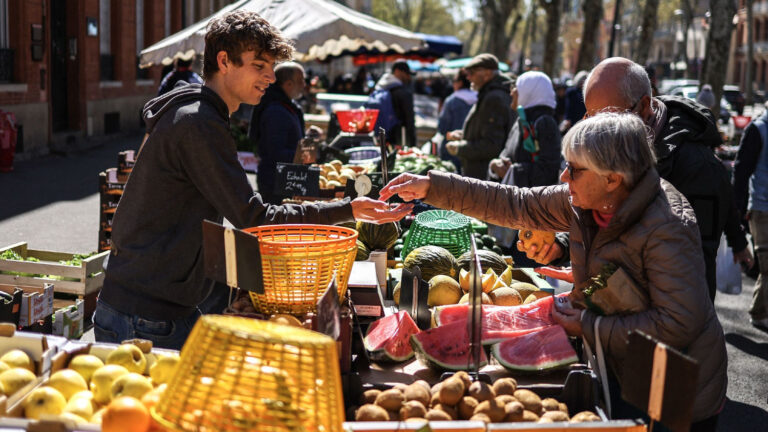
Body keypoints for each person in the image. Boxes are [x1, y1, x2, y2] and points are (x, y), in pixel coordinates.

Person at [380, 112, 727, 431]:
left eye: (574, 169)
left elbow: (679, 324)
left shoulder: (666, 227)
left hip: (676, 384)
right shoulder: (585, 201)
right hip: (622, 362)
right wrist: (434, 188)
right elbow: (515, 202)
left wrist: (587, 325)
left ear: (612, 179)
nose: (564, 177)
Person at [95, 11, 412, 350]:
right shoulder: (199, 124)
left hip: (156, 304)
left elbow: (195, 215)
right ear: (224, 61)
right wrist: (350, 209)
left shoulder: (200, 116)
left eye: (271, 67)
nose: (270, 77)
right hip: (145, 317)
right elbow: (254, 217)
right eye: (259, 66)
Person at [518, 57, 752, 302]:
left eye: (607, 118)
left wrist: (595, 292)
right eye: (590, 117)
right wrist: (562, 246)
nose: (595, 131)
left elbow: (683, 279)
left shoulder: (696, 167)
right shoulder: (616, 145)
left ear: (643, 107)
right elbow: (602, 218)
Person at [445, 53, 514, 179]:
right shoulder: (489, 94)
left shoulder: (494, 98)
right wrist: (463, 135)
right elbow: (486, 131)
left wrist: (459, 148)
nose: (468, 78)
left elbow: (492, 145)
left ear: (487, 74)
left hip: (484, 176)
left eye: (471, 73)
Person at [248, 61, 308, 204]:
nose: (304, 85)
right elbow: (275, 152)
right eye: (300, 81)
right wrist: (302, 155)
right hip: (275, 184)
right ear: (288, 84)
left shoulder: (285, 107)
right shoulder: (276, 111)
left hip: (282, 181)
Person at [734, 104, 768, 331]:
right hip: (762, 208)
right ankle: (759, 313)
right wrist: (738, 211)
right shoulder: (758, 129)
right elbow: (741, 170)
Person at [366, 59, 416, 147]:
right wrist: (412, 145)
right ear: (397, 71)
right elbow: (409, 121)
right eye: (406, 73)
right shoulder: (403, 92)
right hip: (396, 140)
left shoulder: (379, 87)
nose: (408, 77)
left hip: (378, 137)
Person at [436, 70, 477, 171]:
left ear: (460, 83)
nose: (453, 84)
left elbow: (442, 127)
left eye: (454, 81)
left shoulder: (452, 101)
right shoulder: (479, 99)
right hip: (472, 149)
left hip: (451, 150)